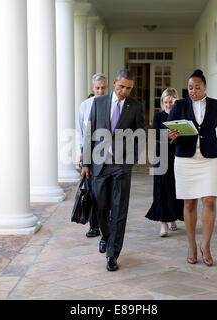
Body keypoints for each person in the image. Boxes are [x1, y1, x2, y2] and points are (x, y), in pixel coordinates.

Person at [167, 69, 217, 266]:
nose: (193, 91)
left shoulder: (216, 106)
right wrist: (171, 136)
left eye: (197, 87)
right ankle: (191, 245)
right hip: (184, 159)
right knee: (189, 204)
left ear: (205, 87)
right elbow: (166, 131)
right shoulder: (180, 105)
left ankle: (206, 245)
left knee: (209, 201)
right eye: (190, 87)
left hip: (209, 159)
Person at [81, 69, 146, 272]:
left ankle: (112, 253)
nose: (124, 91)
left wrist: (131, 160)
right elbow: (90, 132)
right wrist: (85, 163)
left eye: (128, 88)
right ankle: (107, 237)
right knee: (101, 207)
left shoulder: (135, 107)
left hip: (121, 165)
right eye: (121, 86)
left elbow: (141, 135)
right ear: (115, 83)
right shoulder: (98, 103)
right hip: (100, 163)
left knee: (119, 210)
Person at [146, 88, 184, 237]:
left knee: (175, 188)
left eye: (171, 102)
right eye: (166, 102)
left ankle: (172, 217)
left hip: (177, 156)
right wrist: (168, 136)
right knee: (162, 189)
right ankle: (163, 223)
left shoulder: (181, 117)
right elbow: (155, 135)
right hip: (161, 157)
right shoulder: (158, 117)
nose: (168, 105)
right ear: (162, 102)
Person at [78, 73, 108, 238]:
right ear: (92, 88)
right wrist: (81, 155)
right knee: (91, 191)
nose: (100, 91)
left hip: (107, 155)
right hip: (89, 154)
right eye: (97, 88)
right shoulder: (84, 105)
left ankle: (106, 223)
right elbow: (81, 133)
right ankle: (93, 226)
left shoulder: (112, 105)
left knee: (105, 191)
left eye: (103, 87)